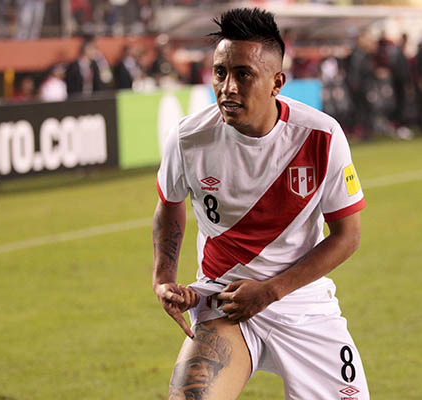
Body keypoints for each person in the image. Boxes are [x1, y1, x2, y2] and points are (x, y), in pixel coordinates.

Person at [152, 7, 370, 400]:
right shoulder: (188, 138)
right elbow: (169, 204)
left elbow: (347, 236)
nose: (228, 87)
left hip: (302, 303)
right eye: (220, 72)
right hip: (226, 301)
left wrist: (270, 291)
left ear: (276, 82)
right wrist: (164, 278)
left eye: (243, 74)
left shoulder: (321, 136)